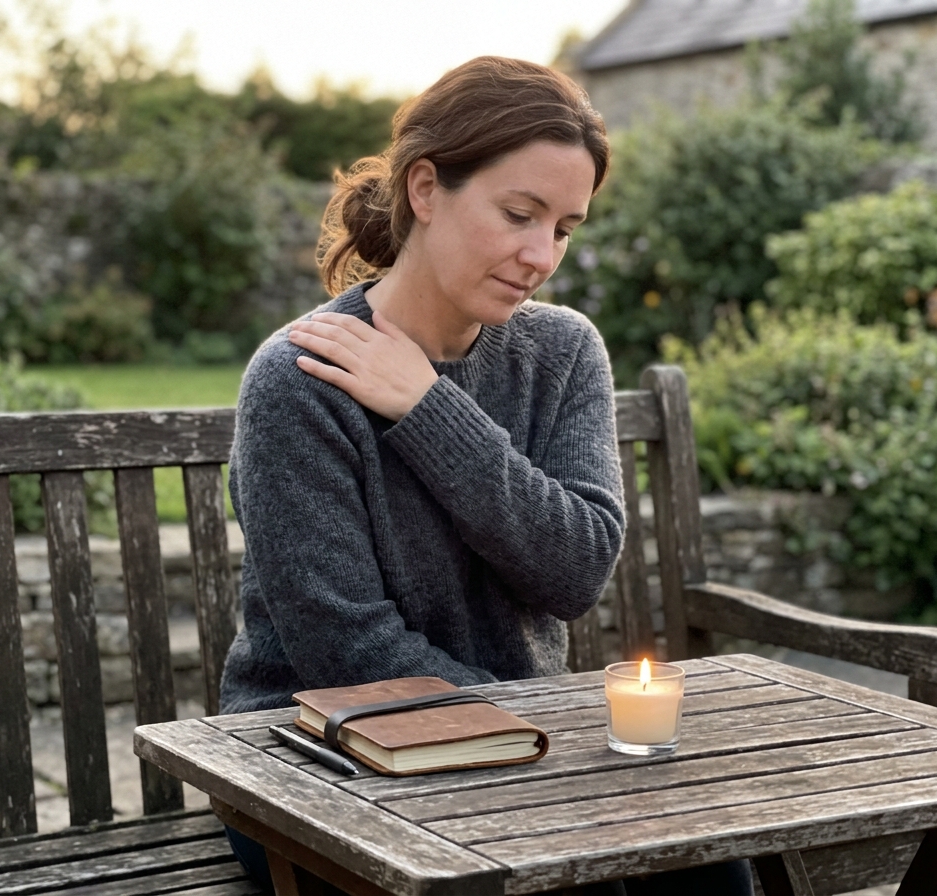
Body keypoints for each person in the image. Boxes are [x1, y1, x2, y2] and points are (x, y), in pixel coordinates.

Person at [220, 55, 754, 896]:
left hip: (523, 749)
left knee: (707, 864)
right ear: (426, 189)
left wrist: (428, 407)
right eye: (518, 214)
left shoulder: (563, 351)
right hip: (326, 759)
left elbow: (575, 571)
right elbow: (347, 648)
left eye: (565, 228)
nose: (541, 255)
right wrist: (541, 726)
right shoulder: (299, 379)